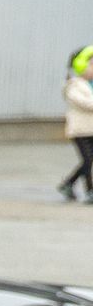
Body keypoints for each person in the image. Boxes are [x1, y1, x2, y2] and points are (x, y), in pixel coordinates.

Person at [63, 45, 93, 203]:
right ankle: (90, 191)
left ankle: (68, 183)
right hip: (80, 131)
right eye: (92, 64)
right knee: (88, 161)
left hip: (91, 129)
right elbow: (83, 102)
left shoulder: (90, 85)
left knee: (88, 160)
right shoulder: (74, 85)